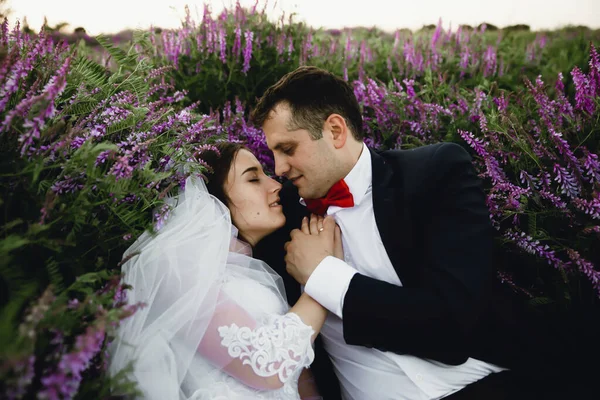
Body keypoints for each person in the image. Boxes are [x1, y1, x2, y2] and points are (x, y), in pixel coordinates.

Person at [250, 66, 599, 400]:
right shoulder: (280, 214)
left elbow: (452, 323)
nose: (278, 169)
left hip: (477, 384)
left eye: (288, 149)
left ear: (336, 131)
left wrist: (324, 275)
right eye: (273, 154)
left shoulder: (434, 174)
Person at [108, 142, 340, 399]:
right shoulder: (181, 272)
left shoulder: (257, 273)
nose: (275, 185)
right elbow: (265, 366)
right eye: (253, 179)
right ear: (210, 199)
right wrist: (322, 275)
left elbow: (295, 377)